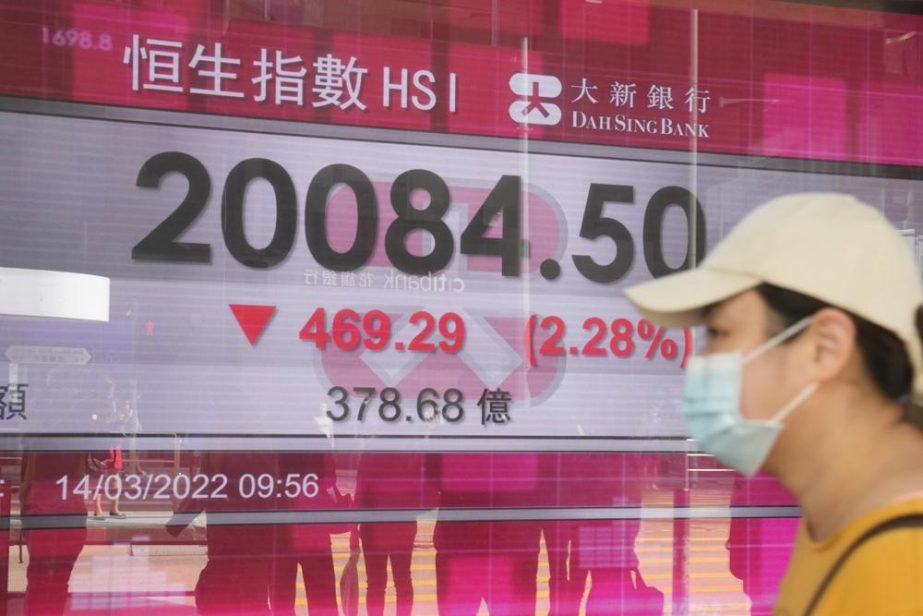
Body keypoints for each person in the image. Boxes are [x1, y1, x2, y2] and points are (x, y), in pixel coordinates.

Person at [625, 192, 923, 614]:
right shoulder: (836, 516)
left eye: (721, 334)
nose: (699, 362)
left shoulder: (906, 563)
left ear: (825, 347)